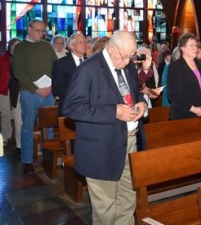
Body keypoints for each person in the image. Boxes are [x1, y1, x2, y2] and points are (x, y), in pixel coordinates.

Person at [62, 30, 147, 225]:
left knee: (127, 200)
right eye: (124, 56)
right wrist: (113, 112)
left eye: (131, 57)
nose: (127, 62)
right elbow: (72, 108)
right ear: (110, 48)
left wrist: (141, 103)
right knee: (106, 209)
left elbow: (135, 93)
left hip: (130, 142)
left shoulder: (126, 66)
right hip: (101, 147)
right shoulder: (88, 69)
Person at [12, 19, 57, 173]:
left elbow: (55, 66)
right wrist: (36, 89)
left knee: (50, 126)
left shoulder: (46, 46)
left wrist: (51, 86)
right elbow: (18, 72)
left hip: (49, 91)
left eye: (43, 31)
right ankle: (27, 161)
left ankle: (49, 161)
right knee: (28, 127)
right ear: (29, 29)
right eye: (38, 31)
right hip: (30, 93)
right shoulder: (20, 48)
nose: (41, 34)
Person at [167, 33, 201, 119]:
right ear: (182, 48)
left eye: (196, 45)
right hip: (183, 114)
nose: (195, 48)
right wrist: (194, 109)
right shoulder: (175, 67)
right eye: (191, 45)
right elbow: (173, 95)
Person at [0, 37, 21, 148]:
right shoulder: (3, 58)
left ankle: (16, 138)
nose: (17, 47)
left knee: (17, 115)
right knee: (6, 114)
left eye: (19, 45)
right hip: (4, 89)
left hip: (18, 90)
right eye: (15, 45)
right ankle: (5, 137)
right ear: (10, 46)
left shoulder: (23, 58)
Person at [52, 32, 87, 116]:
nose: (84, 44)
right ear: (72, 46)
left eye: (85, 42)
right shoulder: (61, 63)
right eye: (80, 42)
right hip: (70, 107)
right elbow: (57, 88)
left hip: (88, 108)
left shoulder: (91, 62)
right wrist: (78, 93)